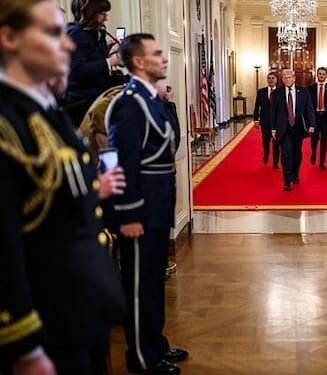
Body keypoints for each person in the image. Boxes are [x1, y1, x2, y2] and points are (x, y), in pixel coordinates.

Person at [0, 1, 126, 374]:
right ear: (9, 38)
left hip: (80, 311)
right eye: (53, 33)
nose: (69, 44)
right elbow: (5, 244)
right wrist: (23, 347)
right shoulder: (8, 123)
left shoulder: (46, 110)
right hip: (48, 325)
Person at [106, 33, 186, 375]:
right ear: (138, 61)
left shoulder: (151, 99)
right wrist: (129, 214)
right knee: (138, 285)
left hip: (158, 204)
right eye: (156, 54)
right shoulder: (129, 103)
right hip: (140, 209)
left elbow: (169, 139)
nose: (164, 59)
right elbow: (121, 162)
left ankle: (156, 344)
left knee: (152, 280)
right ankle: (140, 357)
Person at [65, 0, 122, 127]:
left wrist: (106, 51)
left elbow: (89, 59)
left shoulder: (86, 34)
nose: (106, 18)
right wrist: (110, 61)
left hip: (92, 103)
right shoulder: (76, 33)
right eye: (102, 13)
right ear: (91, 13)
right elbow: (77, 70)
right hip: (82, 105)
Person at [270, 69, 316, 191]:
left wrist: (312, 124)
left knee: (297, 153)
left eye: (290, 77)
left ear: (294, 78)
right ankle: (287, 180)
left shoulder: (303, 92)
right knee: (286, 154)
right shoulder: (277, 93)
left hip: (298, 127)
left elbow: (309, 109)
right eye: (285, 77)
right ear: (282, 79)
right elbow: (273, 112)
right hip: (283, 128)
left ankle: (295, 174)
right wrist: (273, 129)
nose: (288, 79)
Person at [308, 67, 327, 170]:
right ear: (317, 75)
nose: (321, 76)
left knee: (324, 141)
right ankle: (313, 152)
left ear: (326, 76)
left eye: (323, 74)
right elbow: (308, 104)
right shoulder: (311, 88)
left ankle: (322, 162)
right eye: (320, 74)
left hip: (326, 117)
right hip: (314, 118)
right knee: (314, 139)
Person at [252, 71, 280, 168]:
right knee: (265, 140)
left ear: (276, 80)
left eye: (273, 78)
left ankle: (275, 162)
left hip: (277, 122)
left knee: (276, 142)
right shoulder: (261, 92)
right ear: (267, 80)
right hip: (265, 121)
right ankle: (266, 153)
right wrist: (256, 120)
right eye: (269, 78)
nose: (271, 80)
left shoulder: (281, 92)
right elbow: (257, 107)